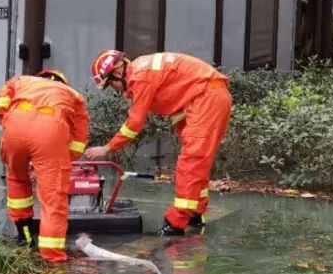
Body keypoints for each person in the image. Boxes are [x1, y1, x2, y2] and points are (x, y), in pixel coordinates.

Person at [85, 50, 233, 237]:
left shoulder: (141, 77)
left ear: (118, 70)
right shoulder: (142, 70)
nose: (114, 89)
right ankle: (195, 212)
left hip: (206, 99)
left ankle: (176, 223)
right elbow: (174, 97)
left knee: (191, 163)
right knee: (197, 163)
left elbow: (135, 123)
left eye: (110, 83)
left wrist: (107, 148)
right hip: (204, 99)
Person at [0, 69, 89, 263]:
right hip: (50, 129)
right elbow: (79, 136)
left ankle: (25, 237)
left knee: (17, 179)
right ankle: (51, 259)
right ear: (62, 82)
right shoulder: (73, 95)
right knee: (53, 199)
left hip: (15, 125)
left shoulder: (21, 81)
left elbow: (1, 98)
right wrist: (61, 158)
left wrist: (6, 120)